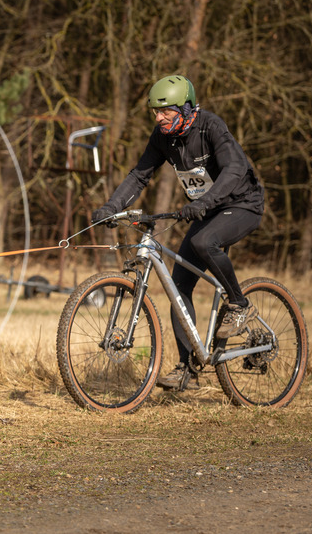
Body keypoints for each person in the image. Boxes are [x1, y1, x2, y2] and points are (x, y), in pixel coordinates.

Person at [91, 74, 264, 391]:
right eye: (155, 112)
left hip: (242, 204)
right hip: (206, 209)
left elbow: (235, 169)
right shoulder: (162, 137)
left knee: (203, 241)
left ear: (186, 108)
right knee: (178, 286)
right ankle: (188, 369)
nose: (158, 118)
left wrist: (207, 201)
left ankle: (239, 304)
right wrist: (111, 207)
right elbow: (139, 176)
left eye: (165, 111)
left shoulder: (211, 126)